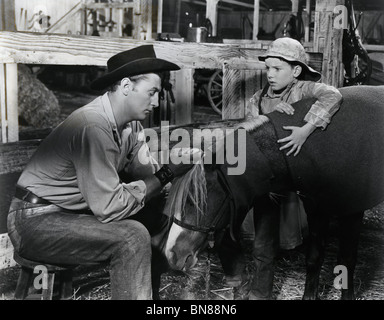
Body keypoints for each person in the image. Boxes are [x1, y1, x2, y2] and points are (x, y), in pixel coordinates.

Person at [7, 45, 194, 300]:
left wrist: (172, 178)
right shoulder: (92, 126)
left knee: (158, 216)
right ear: (127, 86)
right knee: (132, 237)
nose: (156, 101)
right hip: (33, 221)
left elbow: (145, 177)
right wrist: (167, 173)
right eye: (151, 93)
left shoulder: (132, 127)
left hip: (69, 214)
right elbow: (109, 206)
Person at [221, 37, 343, 300]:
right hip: (266, 176)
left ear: (296, 71)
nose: (270, 75)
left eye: (277, 69)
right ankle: (250, 288)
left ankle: (281, 291)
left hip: (295, 177)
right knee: (253, 235)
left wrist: (305, 128)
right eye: (268, 69)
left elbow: (333, 95)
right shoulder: (259, 98)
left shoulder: (304, 89)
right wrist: (270, 116)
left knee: (286, 236)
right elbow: (250, 131)